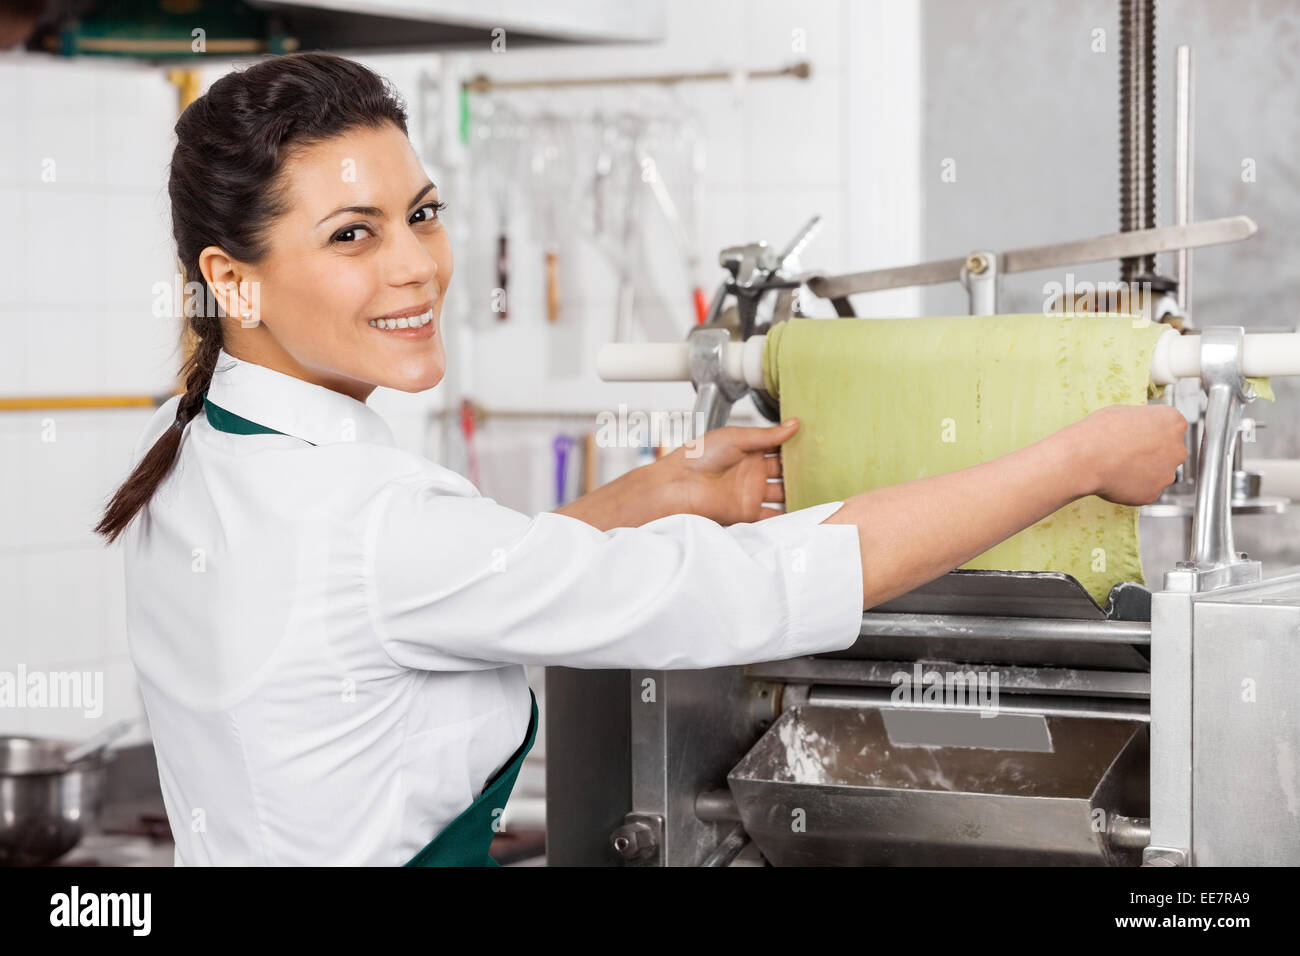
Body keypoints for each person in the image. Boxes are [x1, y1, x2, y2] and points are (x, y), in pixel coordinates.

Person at [95, 52, 1188, 866]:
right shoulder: (368, 518)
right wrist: (1078, 458)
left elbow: (445, 590)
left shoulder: (190, 449)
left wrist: (646, 494)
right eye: (352, 234)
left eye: (421, 214)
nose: (417, 269)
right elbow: (754, 589)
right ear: (232, 280)